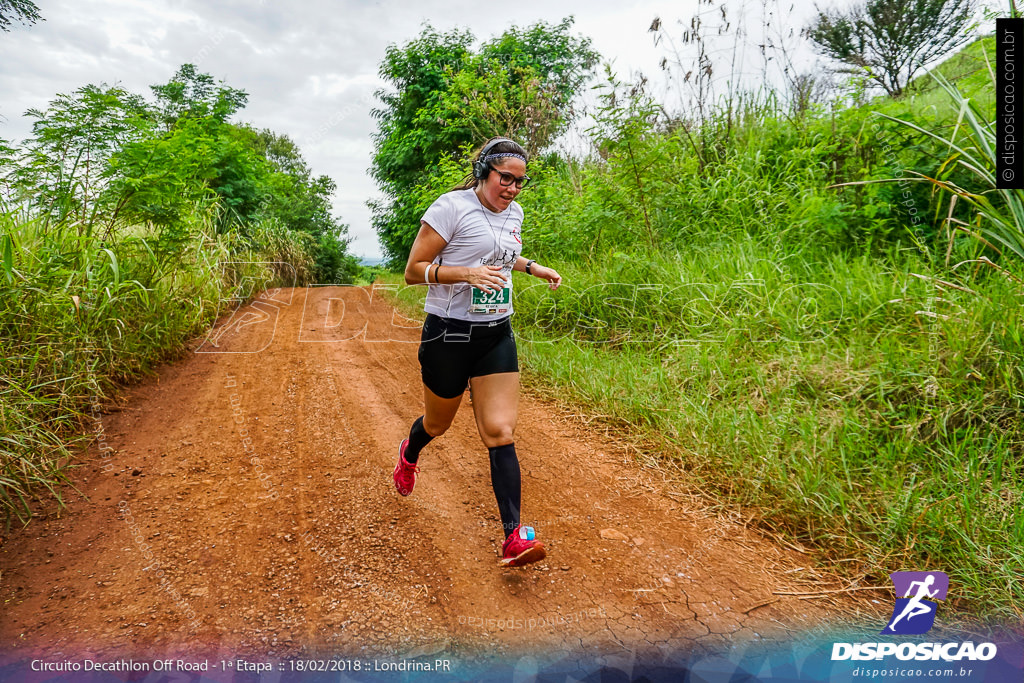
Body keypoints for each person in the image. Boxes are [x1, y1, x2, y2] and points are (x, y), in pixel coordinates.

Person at [392, 136, 562, 567]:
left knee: (500, 432)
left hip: (494, 334)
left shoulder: (515, 213)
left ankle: (514, 538)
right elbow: (413, 272)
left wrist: (532, 267)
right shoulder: (450, 207)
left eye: (520, 182)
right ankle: (409, 454)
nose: (513, 189)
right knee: (437, 423)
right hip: (448, 335)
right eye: (506, 178)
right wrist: (464, 274)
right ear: (485, 171)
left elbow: (504, 255)